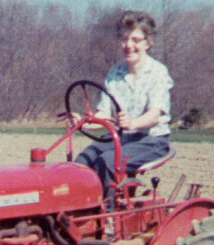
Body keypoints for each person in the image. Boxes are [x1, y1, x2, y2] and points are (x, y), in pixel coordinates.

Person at [72, 10, 174, 211]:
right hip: (121, 138)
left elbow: (155, 114)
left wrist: (133, 123)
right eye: (125, 39)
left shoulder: (158, 73)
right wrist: (83, 121)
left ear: (148, 43)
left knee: (108, 161)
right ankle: (80, 213)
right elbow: (104, 115)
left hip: (151, 140)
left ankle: (107, 220)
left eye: (136, 40)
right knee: (81, 162)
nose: (129, 46)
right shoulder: (115, 73)